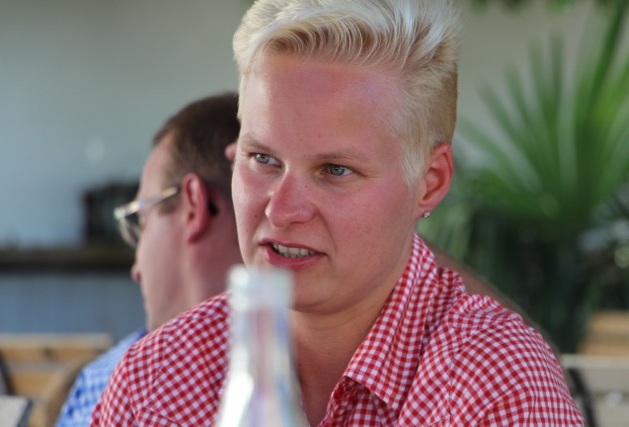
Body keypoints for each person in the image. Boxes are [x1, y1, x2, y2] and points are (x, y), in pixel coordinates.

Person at [93, 0, 584, 425]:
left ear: (430, 182)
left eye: (335, 170)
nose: (282, 209)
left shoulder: (495, 384)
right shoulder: (156, 379)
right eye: (263, 159)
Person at [57, 92, 242, 426]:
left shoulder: (109, 382)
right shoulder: (319, 370)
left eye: (141, 221)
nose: (136, 269)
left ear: (194, 207)